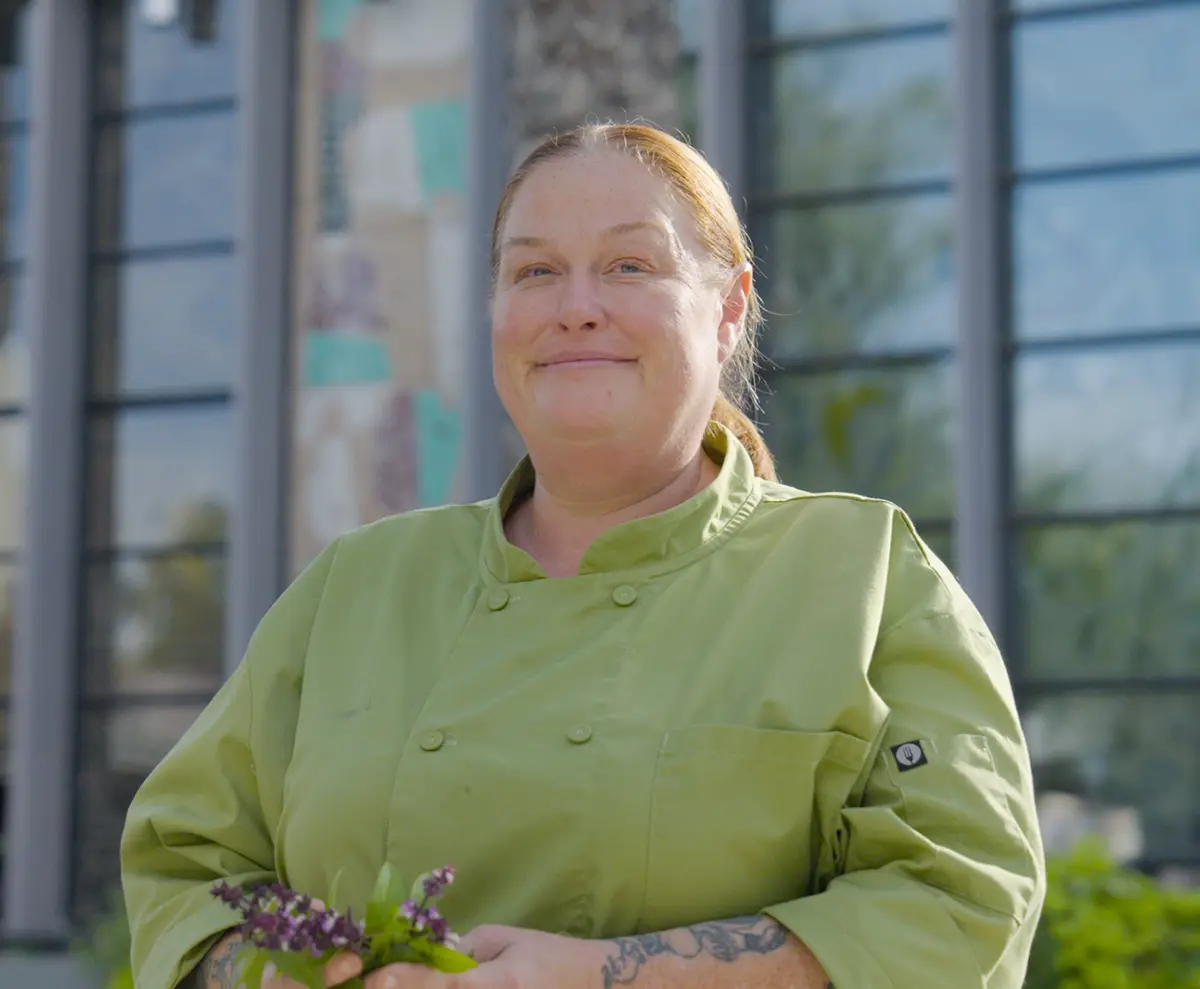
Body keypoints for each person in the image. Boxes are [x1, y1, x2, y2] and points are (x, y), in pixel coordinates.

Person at [121, 122, 1046, 989]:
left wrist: (615, 974)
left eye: (629, 264)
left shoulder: (863, 572)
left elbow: (960, 903)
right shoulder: (358, 582)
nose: (575, 308)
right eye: (534, 272)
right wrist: (281, 972)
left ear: (729, 308)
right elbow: (184, 861)